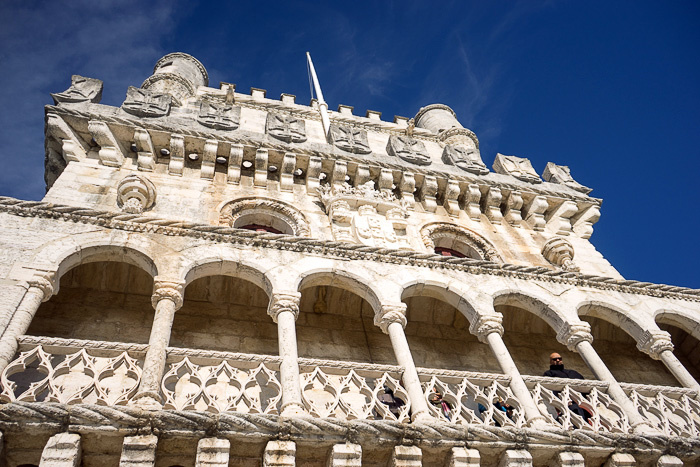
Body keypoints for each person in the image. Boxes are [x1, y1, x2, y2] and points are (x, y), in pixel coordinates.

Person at [544, 352, 591, 422]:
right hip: (567, 402)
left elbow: (584, 385)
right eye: (554, 359)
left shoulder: (573, 373)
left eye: (559, 359)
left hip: (581, 401)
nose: (557, 360)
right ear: (550, 362)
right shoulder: (549, 374)